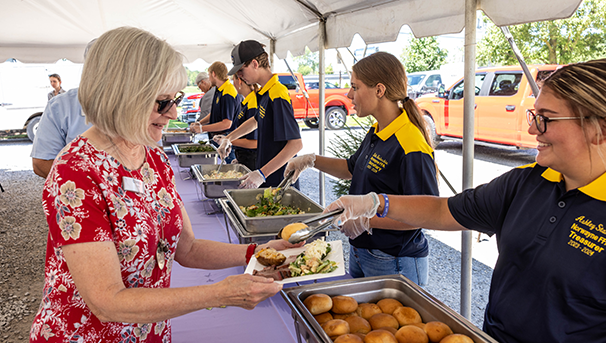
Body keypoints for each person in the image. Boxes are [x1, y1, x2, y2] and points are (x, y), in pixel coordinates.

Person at [29, 27, 301, 343]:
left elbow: (187, 248)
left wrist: (257, 252)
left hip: (149, 331)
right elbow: (106, 301)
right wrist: (217, 293)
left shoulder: (152, 159)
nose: (172, 113)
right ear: (121, 95)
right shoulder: (75, 171)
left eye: (176, 99)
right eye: (162, 102)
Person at [324, 59, 606, 342]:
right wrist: (376, 203)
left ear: (599, 129)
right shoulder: (525, 182)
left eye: (546, 118)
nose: (533, 130)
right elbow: (442, 210)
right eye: (535, 116)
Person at [284, 52, 438, 285]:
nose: (348, 94)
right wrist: (311, 160)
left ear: (379, 90)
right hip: (362, 251)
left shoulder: (410, 142)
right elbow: (351, 168)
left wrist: (368, 220)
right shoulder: (377, 131)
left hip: (393, 259)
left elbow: (426, 215)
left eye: (355, 87)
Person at [217, 40, 302, 188]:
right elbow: (255, 121)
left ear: (255, 64)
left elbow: (296, 144)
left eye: (241, 70)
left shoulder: (277, 93)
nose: (239, 76)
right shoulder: (264, 92)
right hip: (267, 177)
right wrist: (228, 138)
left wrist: (262, 173)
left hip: (279, 180)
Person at [31, 40, 97, 179]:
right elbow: (41, 163)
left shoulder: (145, 103)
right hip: (83, 197)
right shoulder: (62, 105)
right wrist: (90, 187)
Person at [214, 73, 258, 171]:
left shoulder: (253, 103)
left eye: (233, 80)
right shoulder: (248, 101)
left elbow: (254, 143)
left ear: (240, 81)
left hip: (253, 160)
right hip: (246, 158)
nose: (233, 84)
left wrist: (227, 140)